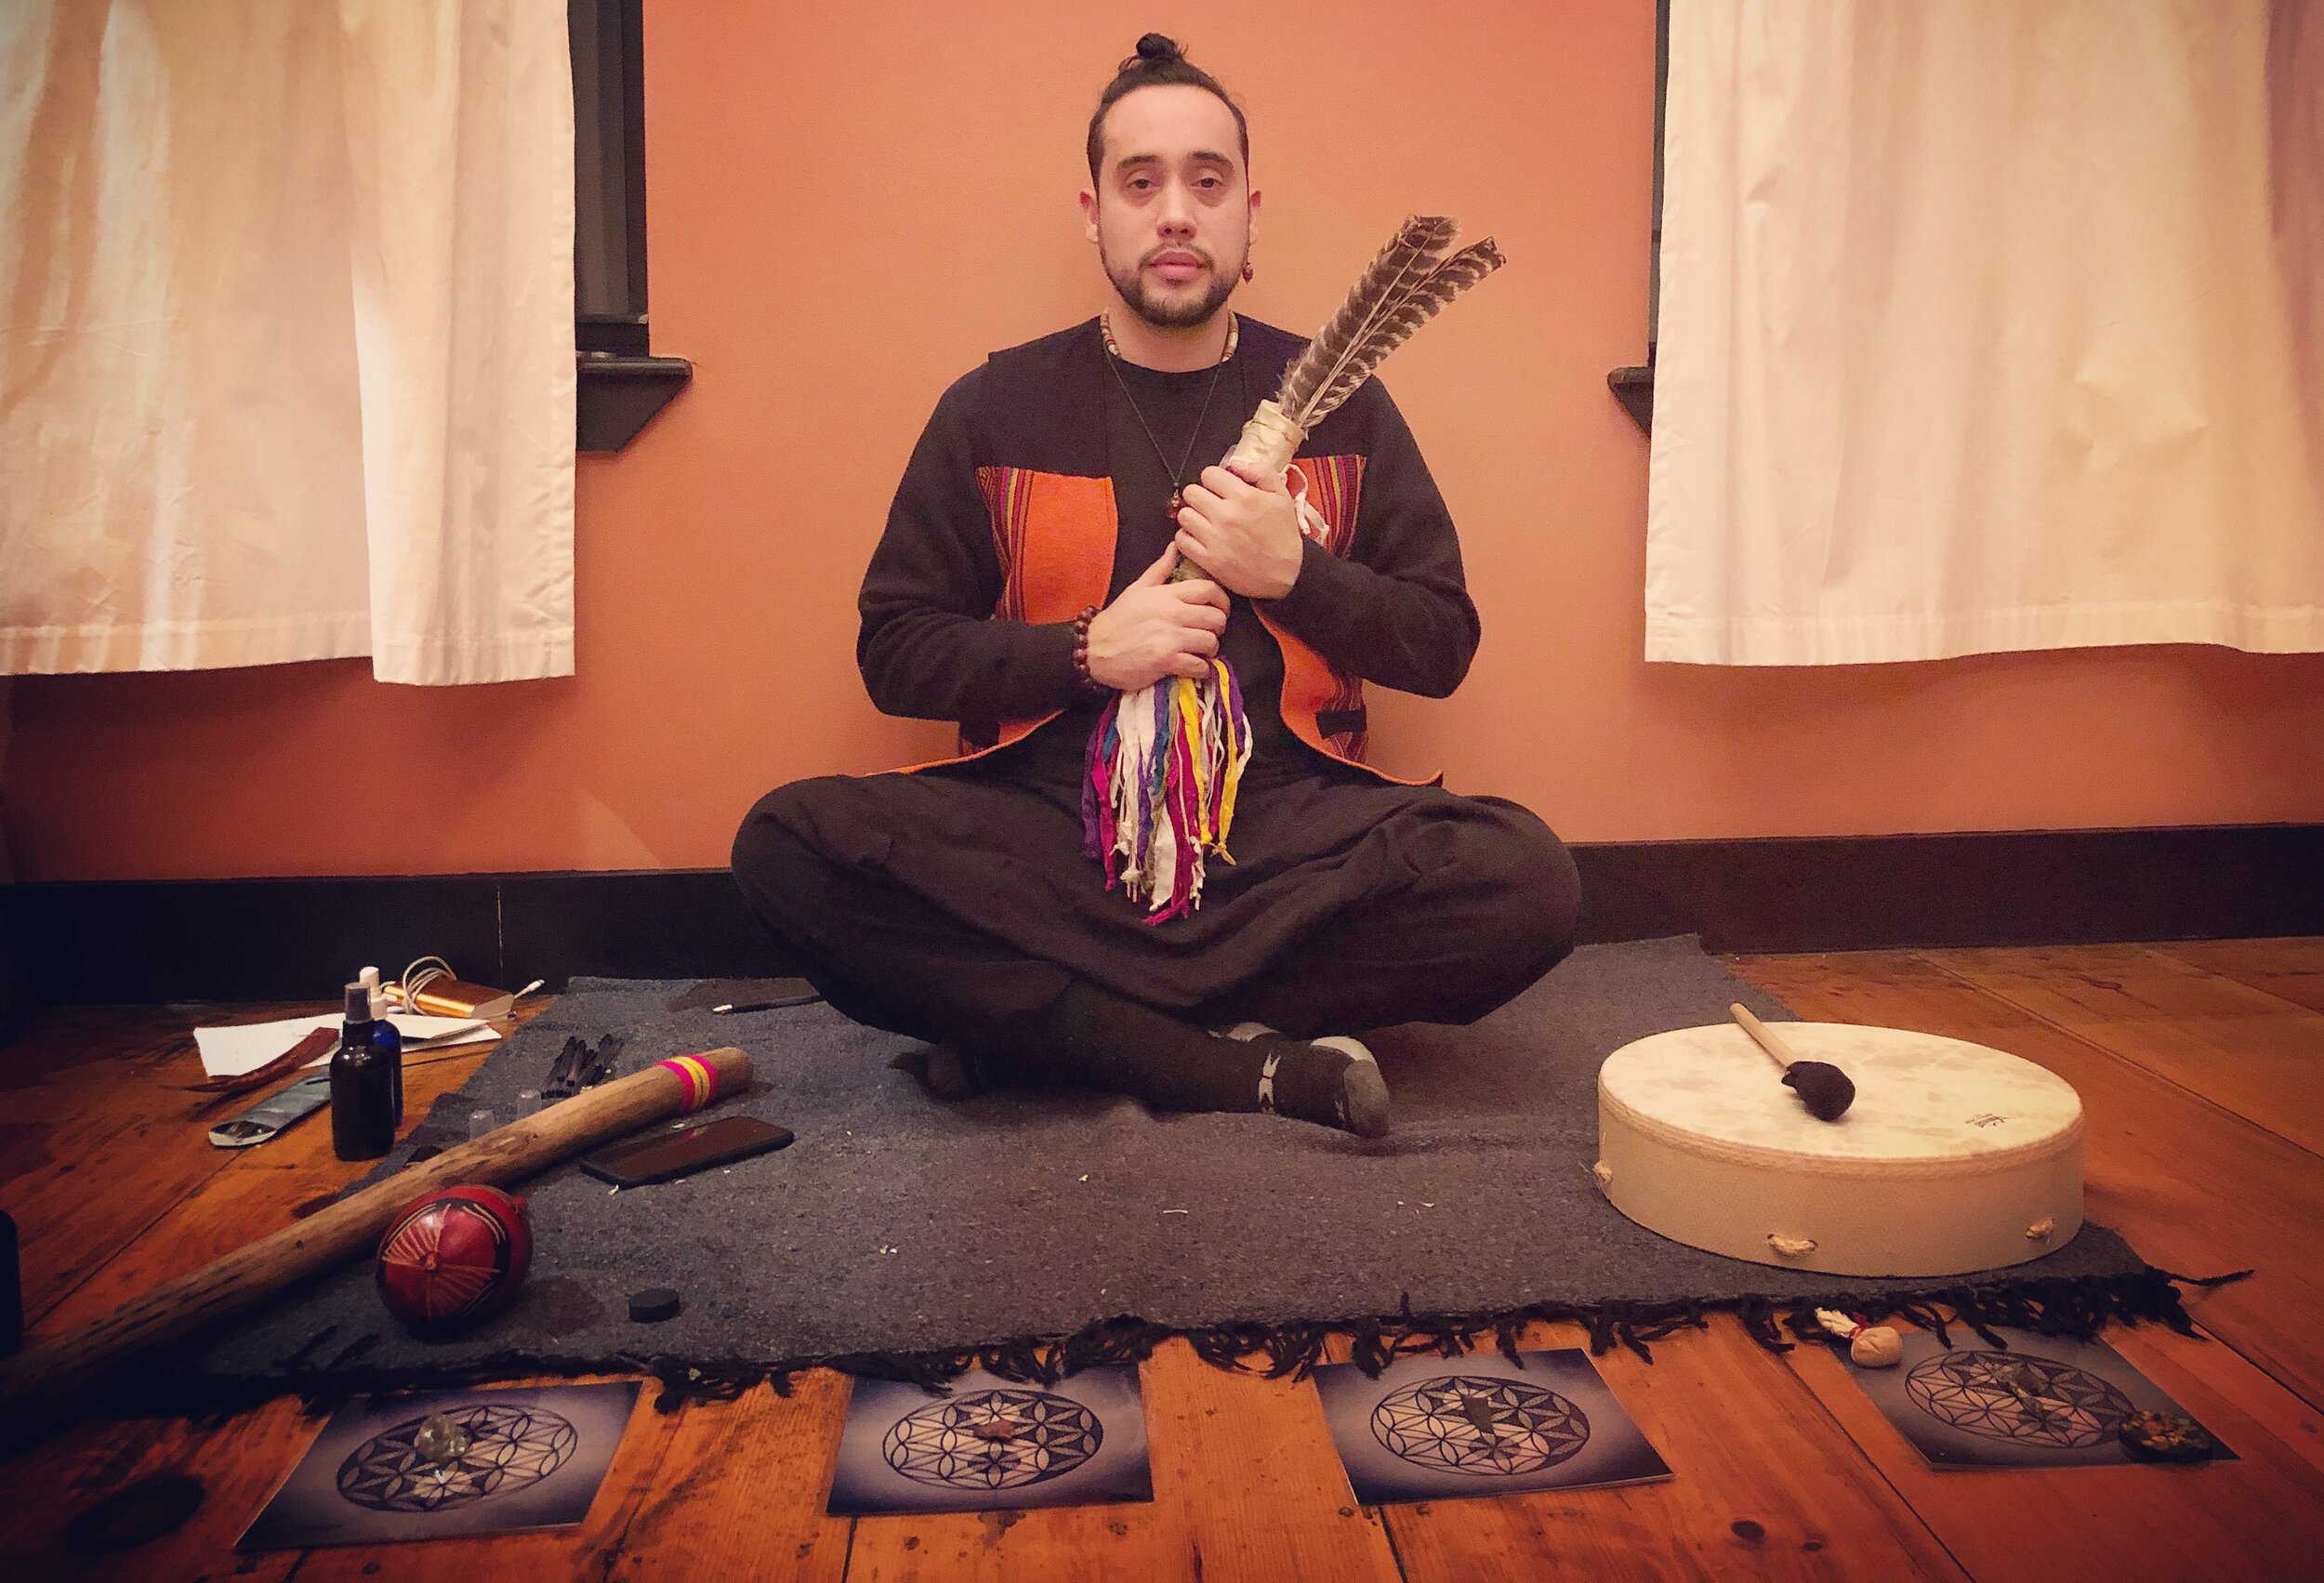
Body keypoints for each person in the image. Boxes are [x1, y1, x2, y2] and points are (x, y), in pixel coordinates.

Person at [733, 34, 1579, 1138]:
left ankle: (1045, 1026)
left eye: (1206, 182)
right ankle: (1221, 1061)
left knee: (1530, 880)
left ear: (1249, 215)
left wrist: (1296, 574)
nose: (1175, 213)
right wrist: (1086, 651)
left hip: (1280, 842)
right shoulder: (993, 407)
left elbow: (1440, 641)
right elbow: (894, 651)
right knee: (785, 843)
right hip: (1050, 834)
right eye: (1141, 183)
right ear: (1093, 214)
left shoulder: (1347, 408)